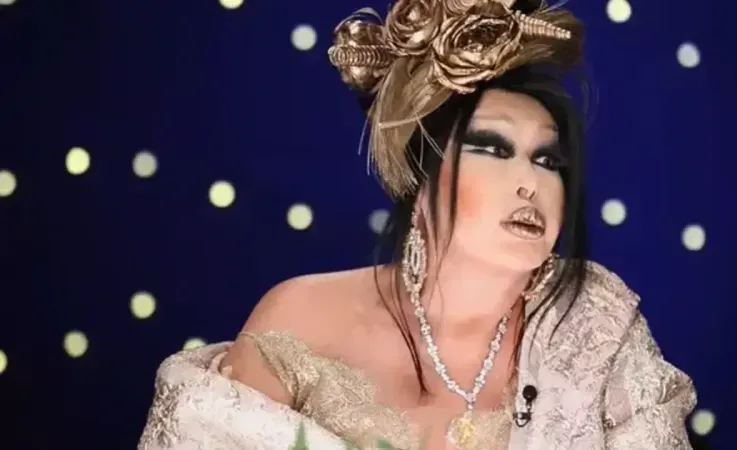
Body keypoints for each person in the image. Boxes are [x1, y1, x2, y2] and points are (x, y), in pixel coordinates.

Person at [138, 0, 697, 449]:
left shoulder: (594, 322)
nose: (530, 182)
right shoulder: (302, 318)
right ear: (418, 178)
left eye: (548, 160)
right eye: (491, 149)